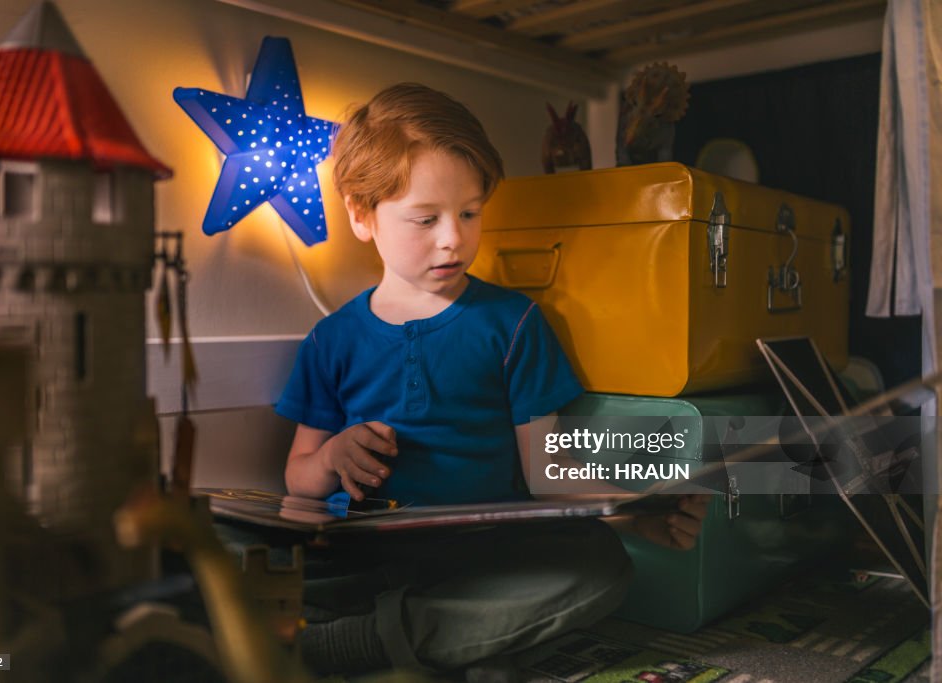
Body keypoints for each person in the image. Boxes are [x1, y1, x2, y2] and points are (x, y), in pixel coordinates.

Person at [275, 82, 709, 677]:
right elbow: (297, 479)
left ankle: (373, 644)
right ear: (360, 213)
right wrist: (330, 457)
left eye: (470, 212)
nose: (453, 237)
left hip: (484, 561)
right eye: (425, 218)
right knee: (233, 556)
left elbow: (548, 477)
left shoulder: (514, 324)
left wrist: (636, 511)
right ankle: (457, 646)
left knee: (601, 567)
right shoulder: (331, 340)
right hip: (362, 556)